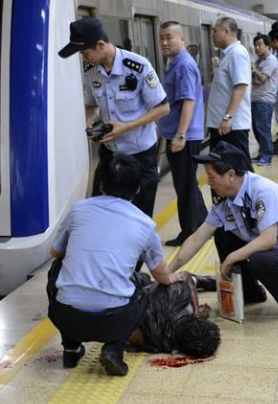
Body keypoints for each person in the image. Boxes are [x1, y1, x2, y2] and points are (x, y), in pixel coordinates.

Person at [47, 153, 182, 376]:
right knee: (143, 288)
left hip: (65, 316)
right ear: (138, 189)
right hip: (115, 321)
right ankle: (114, 349)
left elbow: (55, 252)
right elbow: (161, 274)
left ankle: (70, 348)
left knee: (57, 269)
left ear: (101, 184)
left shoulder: (79, 209)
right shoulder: (145, 224)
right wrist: (171, 279)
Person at [169, 141, 278, 319]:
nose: (208, 183)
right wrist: (168, 271)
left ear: (231, 175)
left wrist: (231, 258)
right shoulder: (225, 202)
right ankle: (250, 291)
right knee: (222, 233)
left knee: (260, 259)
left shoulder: (261, 191)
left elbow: (268, 240)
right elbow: (197, 239)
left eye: (211, 177)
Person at [59, 17, 170, 219]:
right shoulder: (92, 72)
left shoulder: (138, 67)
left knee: (138, 217)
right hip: (109, 154)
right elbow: (91, 105)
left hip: (140, 155)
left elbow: (163, 108)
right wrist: (89, 125)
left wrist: (126, 127)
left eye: (85, 53)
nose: (84, 58)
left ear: (100, 45)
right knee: (101, 213)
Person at [157, 21, 208, 247]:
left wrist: (180, 135)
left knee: (184, 186)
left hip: (184, 136)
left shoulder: (184, 65)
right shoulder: (176, 63)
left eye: (169, 37)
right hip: (182, 134)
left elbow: (189, 101)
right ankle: (204, 224)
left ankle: (189, 232)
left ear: (182, 39)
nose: (165, 42)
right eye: (161, 38)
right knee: (188, 184)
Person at [126, 275, 221, 358]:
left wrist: (195, 307)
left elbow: (185, 275)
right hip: (130, 294)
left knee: (144, 279)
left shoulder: (180, 292)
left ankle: (205, 280)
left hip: (130, 286)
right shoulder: (157, 344)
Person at [206, 17, 253, 163]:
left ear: (226, 31)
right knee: (220, 169)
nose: (212, 34)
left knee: (238, 169)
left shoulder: (237, 53)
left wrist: (227, 117)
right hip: (223, 125)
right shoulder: (228, 54)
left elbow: (240, 87)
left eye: (215, 31)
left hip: (231, 127)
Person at [250, 34, 278, 166]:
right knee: (257, 128)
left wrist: (254, 70)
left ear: (268, 46)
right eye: (255, 45)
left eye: (260, 45)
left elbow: (260, 79)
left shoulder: (271, 60)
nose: (257, 48)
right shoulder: (259, 61)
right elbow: (254, 80)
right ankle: (262, 153)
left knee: (263, 129)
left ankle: (267, 156)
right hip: (256, 99)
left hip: (264, 100)